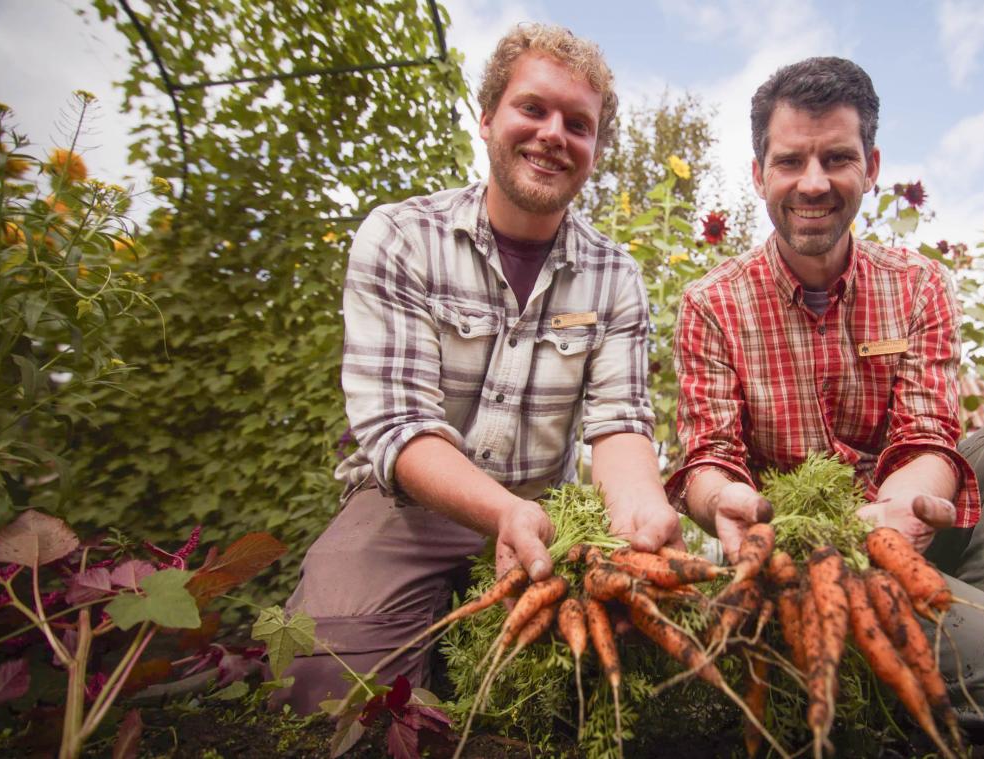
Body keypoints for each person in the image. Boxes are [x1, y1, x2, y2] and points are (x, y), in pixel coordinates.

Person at [667, 57, 984, 740]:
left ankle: (935, 666)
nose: (814, 182)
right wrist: (717, 500)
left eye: (837, 158)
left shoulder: (919, 285)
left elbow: (927, 432)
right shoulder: (711, 304)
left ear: (872, 165)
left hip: (900, 531)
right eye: (791, 160)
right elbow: (710, 456)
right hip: (795, 561)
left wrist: (892, 511)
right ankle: (958, 671)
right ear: (760, 171)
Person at [274, 23, 681, 713]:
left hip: (548, 517)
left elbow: (619, 425)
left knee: (590, 689)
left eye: (578, 123)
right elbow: (400, 429)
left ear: (594, 150)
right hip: (408, 506)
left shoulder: (615, 275)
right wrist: (501, 513)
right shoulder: (403, 237)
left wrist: (643, 511)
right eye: (534, 108)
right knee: (327, 678)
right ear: (488, 117)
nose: (555, 133)